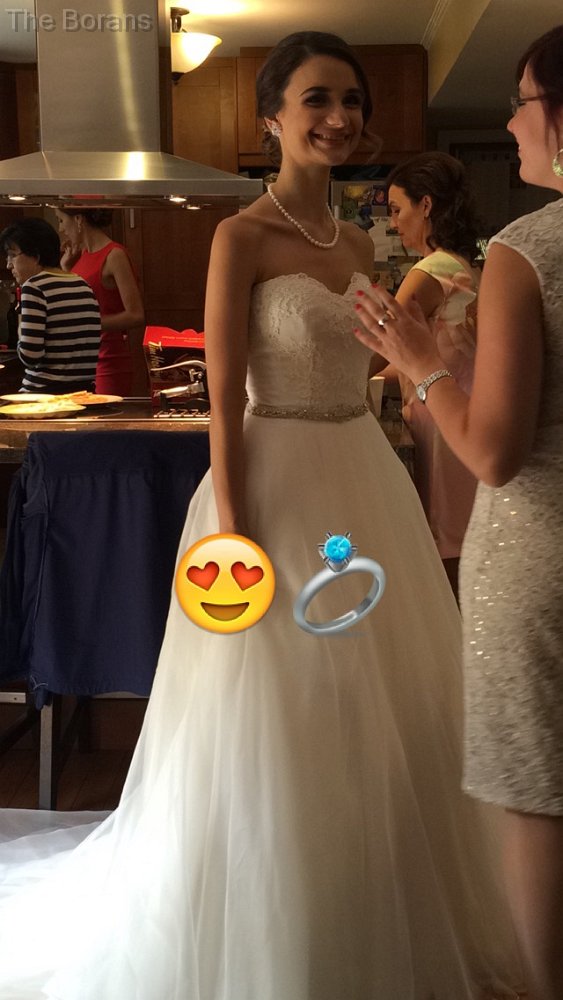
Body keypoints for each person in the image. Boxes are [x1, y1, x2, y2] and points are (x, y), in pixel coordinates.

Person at [0, 32, 523, 1000]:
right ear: (271, 117)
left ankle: (370, 897)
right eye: (316, 98)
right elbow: (225, 393)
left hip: (361, 483)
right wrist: (234, 528)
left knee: (375, 688)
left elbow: (367, 364)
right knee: (274, 699)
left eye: (351, 100)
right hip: (269, 483)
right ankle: (271, 913)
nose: (339, 117)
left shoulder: (360, 244)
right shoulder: (238, 235)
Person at [354, 24, 563, 1000]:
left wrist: (418, 360)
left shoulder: (528, 251)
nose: (510, 122)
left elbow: (490, 453)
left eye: (521, 101)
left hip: (539, 555)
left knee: (536, 789)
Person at [384, 152, 481, 598]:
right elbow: (404, 357)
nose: (392, 224)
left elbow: (384, 343)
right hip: (458, 413)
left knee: (445, 547)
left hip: (441, 421)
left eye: (396, 210)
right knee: (458, 545)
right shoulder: (460, 264)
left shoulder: (431, 270)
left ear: (425, 205)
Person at [0, 218, 100, 393]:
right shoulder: (83, 285)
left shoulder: (34, 287)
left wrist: (21, 327)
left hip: (42, 395)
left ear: (35, 255)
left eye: (13, 255)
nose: (9, 264)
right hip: (84, 393)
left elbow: (30, 355)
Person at [55, 208, 144, 396]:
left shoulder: (114, 255)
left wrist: (88, 323)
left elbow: (136, 315)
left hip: (108, 361)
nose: (61, 229)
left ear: (78, 219)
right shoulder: (81, 256)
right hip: (81, 361)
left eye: (62, 220)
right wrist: (66, 268)